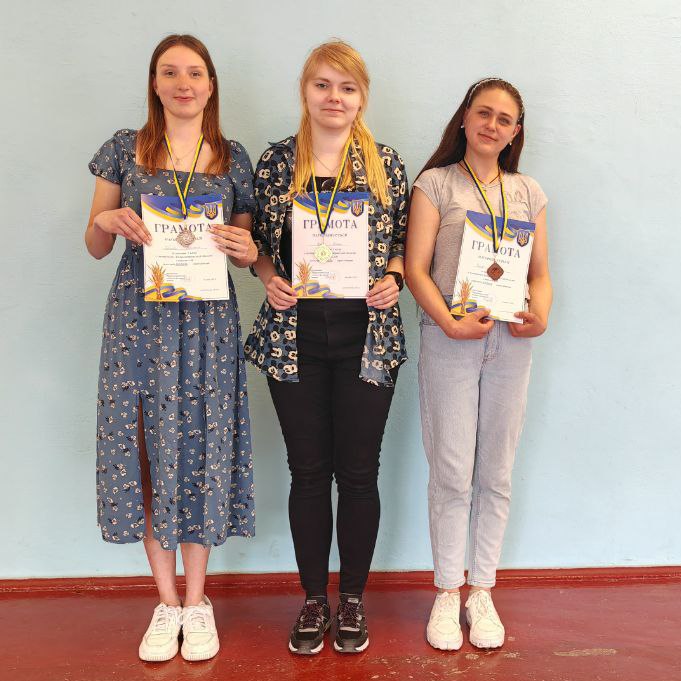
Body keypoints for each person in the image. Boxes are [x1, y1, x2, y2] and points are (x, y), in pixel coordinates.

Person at [85, 34, 257, 663]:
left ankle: (197, 601)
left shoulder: (233, 158)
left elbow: (246, 251)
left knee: (202, 446)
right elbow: (95, 245)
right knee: (147, 450)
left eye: (195, 73)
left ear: (211, 85)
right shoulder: (123, 150)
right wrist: (105, 221)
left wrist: (246, 248)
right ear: (154, 83)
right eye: (170, 72)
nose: (184, 83)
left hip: (208, 323)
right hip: (139, 320)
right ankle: (165, 602)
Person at [244, 40, 408, 655]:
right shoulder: (276, 162)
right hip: (295, 337)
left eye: (346, 87)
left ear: (362, 97)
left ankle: (354, 599)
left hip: (369, 336)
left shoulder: (385, 164)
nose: (333, 97)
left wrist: (394, 277)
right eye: (322, 85)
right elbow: (258, 245)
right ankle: (315, 598)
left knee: (359, 474)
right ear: (305, 91)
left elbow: (401, 242)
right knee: (308, 472)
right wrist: (267, 277)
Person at [405, 77, 552, 651]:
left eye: (505, 119)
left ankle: (482, 590)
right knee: (451, 471)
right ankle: (448, 590)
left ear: (516, 133)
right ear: (465, 118)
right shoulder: (435, 184)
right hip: (450, 341)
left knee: (496, 472)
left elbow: (540, 274)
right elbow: (415, 269)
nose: (493, 125)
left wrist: (540, 315)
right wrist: (448, 322)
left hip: (511, 344)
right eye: (484, 113)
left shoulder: (529, 192)